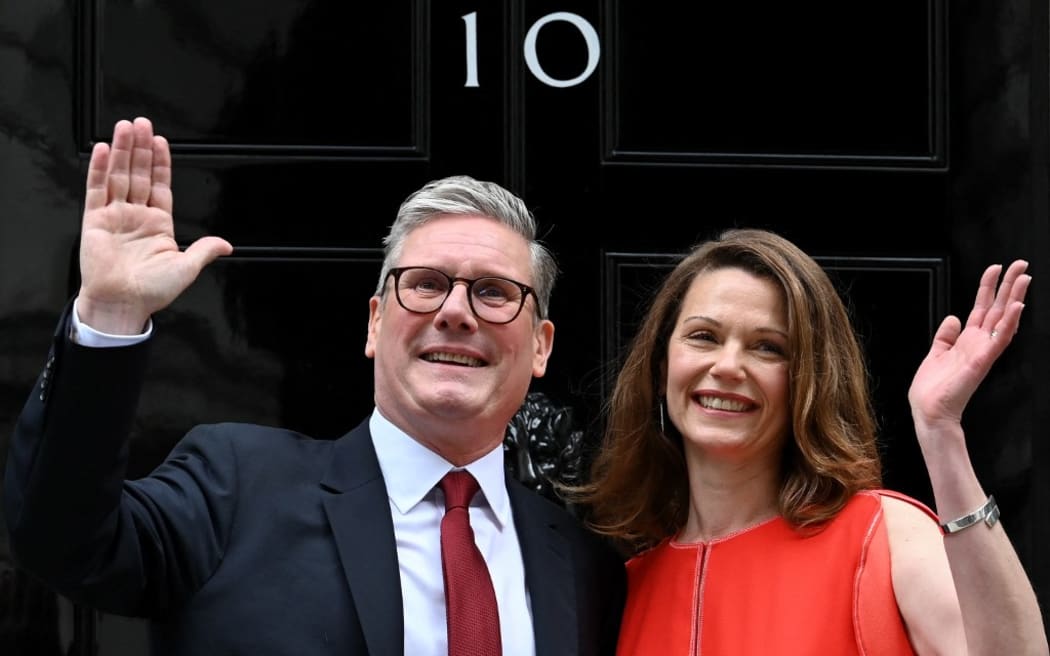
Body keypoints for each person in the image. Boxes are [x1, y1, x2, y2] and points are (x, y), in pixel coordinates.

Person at [3, 116, 625, 655]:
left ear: (540, 344)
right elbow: (61, 540)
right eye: (426, 284)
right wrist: (109, 315)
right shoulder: (235, 487)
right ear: (376, 323)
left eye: (493, 292)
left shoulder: (580, 562)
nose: (456, 312)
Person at [576, 228, 1049, 655]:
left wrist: (940, 430)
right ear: (662, 369)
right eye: (704, 336)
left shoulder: (882, 536)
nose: (727, 366)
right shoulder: (626, 587)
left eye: (768, 347)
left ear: (808, 380)